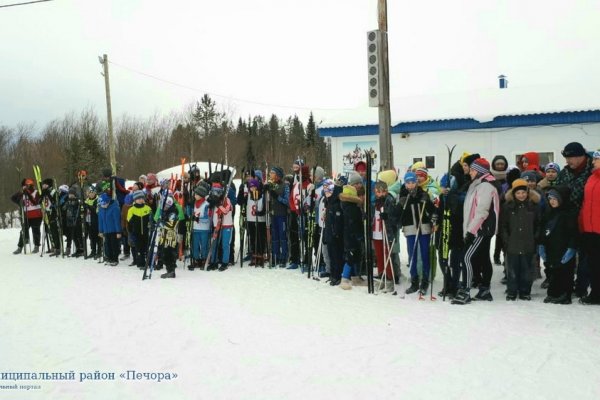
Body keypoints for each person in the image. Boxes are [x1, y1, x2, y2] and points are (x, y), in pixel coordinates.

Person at [452, 158, 500, 305]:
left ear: (480, 171)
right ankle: (484, 290)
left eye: (473, 170)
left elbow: (482, 211)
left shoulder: (485, 186)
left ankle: (465, 291)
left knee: (466, 257)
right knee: (483, 259)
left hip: (480, 229)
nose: (470, 172)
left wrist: (471, 231)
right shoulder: (479, 184)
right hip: (480, 228)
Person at [555, 142, 594, 298]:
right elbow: (556, 191)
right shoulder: (564, 173)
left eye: (570, 158)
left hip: (587, 220)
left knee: (586, 256)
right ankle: (566, 285)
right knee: (567, 254)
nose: (567, 162)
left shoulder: (592, 172)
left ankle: (582, 286)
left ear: (580, 156)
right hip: (567, 220)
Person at [501, 178, 541, 301]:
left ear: (528, 193)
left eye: (523, 192)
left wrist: (535, 239)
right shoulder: (508, 207)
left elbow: (538, 224)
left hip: (528, 244)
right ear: (513, 194)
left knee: (526, 270)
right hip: (512, 244)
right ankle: (512, 290)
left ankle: (525, 291)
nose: (521, 195)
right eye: (518, 193)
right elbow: (503, 226)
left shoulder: (533, 207)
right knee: (512, 269)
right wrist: (506, 240)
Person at [399, 172, 437, 295]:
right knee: (412, 256)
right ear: (405, 183)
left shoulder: (423, 194)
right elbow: (397, 214)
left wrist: (434, 216)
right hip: (410, 230)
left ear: (416, 182)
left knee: (425, 255)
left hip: (424, 229)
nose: (411, 185)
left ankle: (425, 280)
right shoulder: (403, 196)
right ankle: (414, 281)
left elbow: (433, 211)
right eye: (408, 183)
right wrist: (399, 207)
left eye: (413, 182)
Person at [539, 186, 577, 304]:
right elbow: (544, 230)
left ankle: (565, 295)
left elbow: (574, 233)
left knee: (564, 272)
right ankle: (553, 293)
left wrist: (571, 248)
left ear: (562, 199)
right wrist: (542, 244)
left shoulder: (569, 213)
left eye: (555, 198)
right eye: (550, 199)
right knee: (553, 271)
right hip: (552, 248)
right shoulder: (550, 212)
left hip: (564, 249)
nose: (552, 201)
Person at [578, 151, 600, 305]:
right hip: (590, 229)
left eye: (597, 159)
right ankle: (596, 294)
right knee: (593, 264)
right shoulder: (591, 177)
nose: (593, 162)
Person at [339, 185, 363, 290]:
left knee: (354, 255)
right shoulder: (353, 209)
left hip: (347, 235)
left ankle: (355, 276)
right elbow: (355, 224)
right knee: (351, 256)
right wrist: (359, 235)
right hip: (352, 236)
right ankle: (344, 278)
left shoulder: (344, 207)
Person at [156, 194, 185, 278]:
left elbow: (171, 225)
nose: (164, 207)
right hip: (164, 236)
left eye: (166, 205)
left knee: (168, 254)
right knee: (163, 254)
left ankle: (171, 271)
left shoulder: (173, 212)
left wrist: (160, 223)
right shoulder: (164, 212)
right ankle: (169, 270)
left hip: (170, 238)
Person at [11, 178, 43, 254]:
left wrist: (28, 193)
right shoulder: (23, 193)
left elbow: (35, 202)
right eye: (24, 186)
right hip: (27, 216)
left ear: (31, 185)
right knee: (23, 231)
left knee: (36, 231)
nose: (25, 188)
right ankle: (20, 247)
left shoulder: (36, 192)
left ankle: (36, 246)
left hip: (36, 216)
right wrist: (20, 200)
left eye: (27, 186)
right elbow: (13, 198)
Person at [265, 166, 289, 268]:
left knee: (282, 237)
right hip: (273, 215)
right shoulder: (271, 185)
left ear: (277, 175)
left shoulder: (285, 186)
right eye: (270, 173)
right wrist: (265, 190)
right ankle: (275, 256)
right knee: (274, 237)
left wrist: (277, 196)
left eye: (272, 173)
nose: (270, 174)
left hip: (282, 215)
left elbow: (287, 201)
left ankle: (283, 257)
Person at [127, 190, 152, 269]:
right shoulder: (131, 209)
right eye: (138, 198)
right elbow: (129, 222)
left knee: (146, 248)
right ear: (135, 200)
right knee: (138, 249)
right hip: (136, 233)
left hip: (146, 233)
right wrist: (131, 232)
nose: (140, 200)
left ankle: (148, 262)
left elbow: (151, 219)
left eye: (142, 198)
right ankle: (140, 263)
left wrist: (151, 223)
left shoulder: (148, 208)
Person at [190, 184, 211, 270]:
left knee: (204, 245)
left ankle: (203, 259)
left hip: (204, 229)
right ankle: (196, 259)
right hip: (195, 228)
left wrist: (196, 218)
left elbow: (207, 218)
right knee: (195, 245)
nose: (195, 196)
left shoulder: (206, 205)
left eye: (196, 194)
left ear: (201, 195)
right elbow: (192, 214)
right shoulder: (194, 203)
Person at [98, 193, 121, 266]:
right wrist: (101, 231)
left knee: (114, 245)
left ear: (108, 202)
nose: (103, 206)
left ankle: (115, 259)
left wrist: (118, 232)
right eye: (102, 204)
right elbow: (100, 221)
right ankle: (109, 257)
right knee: (107, 245)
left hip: (114, 231)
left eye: (104, 204)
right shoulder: (101, 209)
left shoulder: (114, 208)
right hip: (106, 231)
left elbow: (117, 221)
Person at [84, 187, 100, 259]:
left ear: (95, 193)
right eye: (89, 193)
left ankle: (99, 251)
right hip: (88, 221)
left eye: (92, 193)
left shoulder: (97, 200)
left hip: (96, 221)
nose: (91, 194)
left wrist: (88, 206)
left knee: (97, 237)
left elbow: (96, 210)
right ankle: (93, 251)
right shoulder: (86, 200)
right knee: (91, 237)